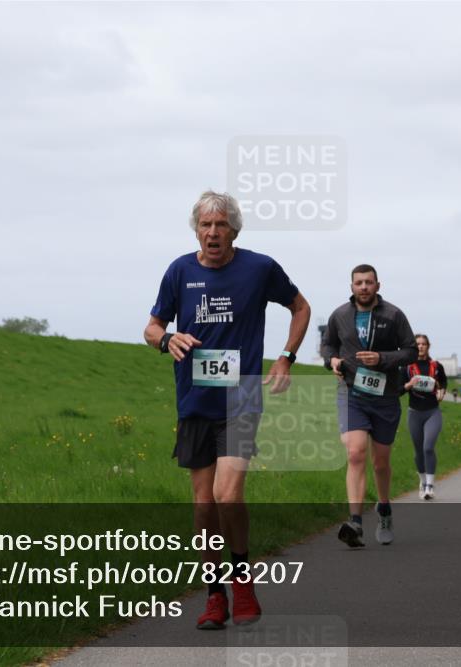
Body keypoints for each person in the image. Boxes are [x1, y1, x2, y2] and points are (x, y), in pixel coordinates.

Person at [144, 191, 311, 629]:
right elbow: (153, 325)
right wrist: (165, 339)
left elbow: (300, 306)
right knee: (203, 507)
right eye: (205, 225)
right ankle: (215, 594)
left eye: (221, 225)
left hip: (240, 400)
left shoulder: (259, 268)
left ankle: (242, 582)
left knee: (227, 496)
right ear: (196, 229)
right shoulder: (179, 271)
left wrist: (285, 357)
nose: (212, 232)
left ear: (234, 230)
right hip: (194, 402)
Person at [321, 264, 416, 547]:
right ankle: (355, 522)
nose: (363, 287)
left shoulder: (394, 315)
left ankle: (384, 509)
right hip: (352, 394)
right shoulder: (340, 315)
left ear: (378, 285)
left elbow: (410, 350)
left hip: (386, 397)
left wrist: (382, 359)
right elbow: (327, 346)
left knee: (381, 461)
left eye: (368, 282)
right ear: (351, 286)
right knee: (355, 452)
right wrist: (333, 361)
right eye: (358, 283)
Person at [403, 334, 448, 500]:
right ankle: (422, 482)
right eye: (418, 344)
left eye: (423, 344)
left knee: (428, 447)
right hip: (414, 412)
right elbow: (400, 389)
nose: (421, 346)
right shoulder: (407, 367)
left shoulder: (436, 366)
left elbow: (443, 382)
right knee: (418, 451)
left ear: (428, 346)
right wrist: (409, 385)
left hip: (432, 412)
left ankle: (430, 485)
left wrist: (441, 392)